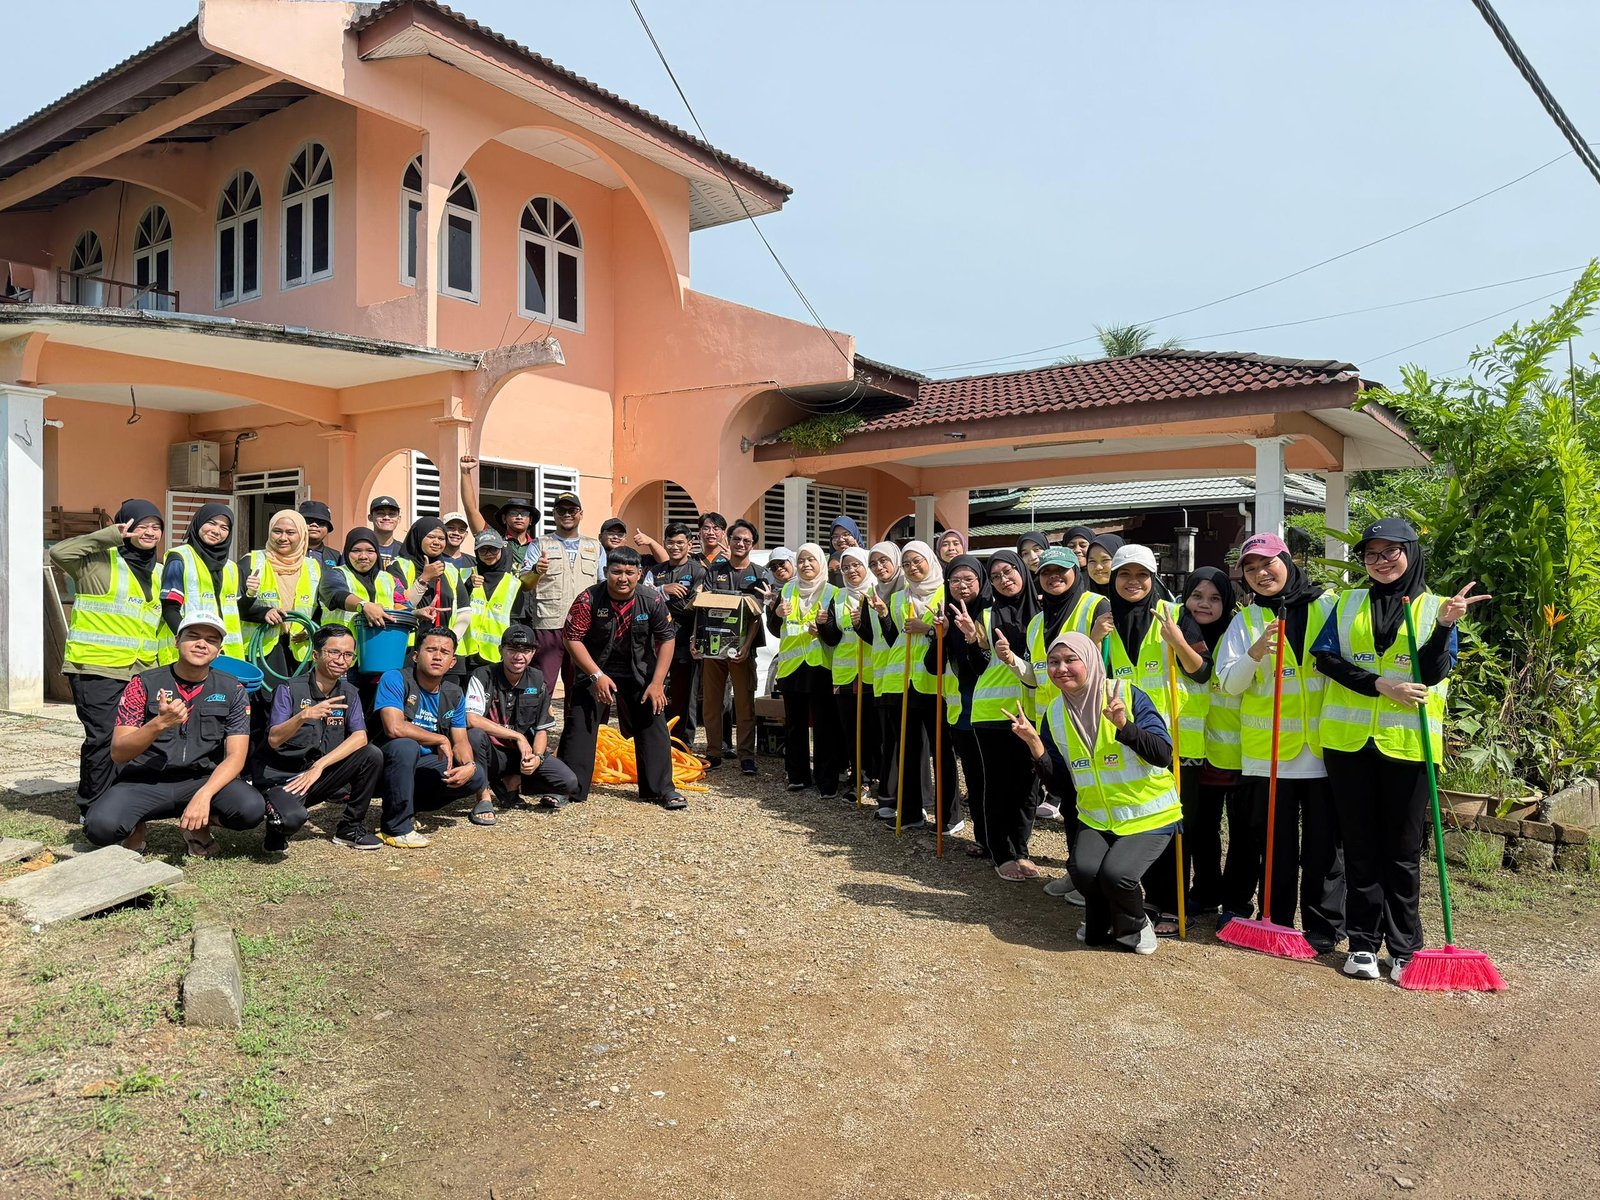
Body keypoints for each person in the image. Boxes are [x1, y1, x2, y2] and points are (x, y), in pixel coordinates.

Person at [1314, 518, 1477, 983]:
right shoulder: (1347, 603)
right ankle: (1363, 942)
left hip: (1408, 747)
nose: (1382, 562)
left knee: (1403, 850)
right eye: (1372, 554)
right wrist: (1380, 685)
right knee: (1360, 846)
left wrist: (1445, 627)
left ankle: (1405, 946)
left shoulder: (1436, 608)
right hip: (1348, 744)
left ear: (1411, 552)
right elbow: (1325, 659)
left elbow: (1432, 672)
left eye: (1392, 552)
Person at [1008, 632, 1180, 954]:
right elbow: (1061, 784)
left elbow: (1163, 755)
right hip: (1098, 817)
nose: (1061, 669)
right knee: (1082, 870)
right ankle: (1102, 922)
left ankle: (1135, 925)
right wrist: (1035, 744)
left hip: (1148, 813)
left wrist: (1125, 727)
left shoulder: (1127, 694)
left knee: (1118, 875)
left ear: (1090, 660)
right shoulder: (1055, 715)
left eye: (1071, 660)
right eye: (1054, 662)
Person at [1215, 532, 1345, 954]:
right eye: (1250, 569)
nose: (1260, 574)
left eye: (1267, 563)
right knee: (1275, 846)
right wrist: (1253, 654)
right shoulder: (1246, 621)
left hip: (1325, 751)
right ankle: (1276, 919)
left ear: (1287, 561)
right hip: (1267, 755)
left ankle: (1325, 926)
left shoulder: (1329, 607)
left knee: (1325, 849)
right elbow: (1230, 685)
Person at [87, 613, 265, 856]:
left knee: (251, 809)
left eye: (211, 640)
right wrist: (158, 724)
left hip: (201, 778)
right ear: (176, 641)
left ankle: (197, 824)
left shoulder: (232, 689)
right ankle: (136, 826)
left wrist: (205, 794)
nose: (202, 644)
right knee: (100, 828)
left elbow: (236, 755)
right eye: (193, 636)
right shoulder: (143, 684)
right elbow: (119, 753)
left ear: (219, 649)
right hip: (145, 781)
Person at [52, 499, 166, 809]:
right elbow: (58, 553)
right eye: (142, 525)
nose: (150, 532)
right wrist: (109, 536)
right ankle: (92, 806)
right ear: (125, 526)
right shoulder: (99, 563)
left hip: (140, 672)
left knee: (132, 740)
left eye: (156, 527)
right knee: (102, 739)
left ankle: (120, 804)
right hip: (95, 668)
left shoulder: (159, 572)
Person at [558, 547, 685, 809]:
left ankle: (661, 789)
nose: (623, 578)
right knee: (580, 722)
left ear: (640, 574)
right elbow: (572, 638)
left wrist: (658, 683)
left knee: (654, 720)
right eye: (616, 571)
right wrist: (595, 675)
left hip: (639, 671)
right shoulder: (588, 599)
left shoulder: (653, 600)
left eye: (630, 572)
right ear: (606, 572)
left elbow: (667, 638)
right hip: (596, 669)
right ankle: (568, 787)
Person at [940, 554, 1037, 878]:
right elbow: (976, 667)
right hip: (992, 712)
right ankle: (1001, 852)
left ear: (1022, 572)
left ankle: (1021, 849)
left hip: (1032, 712)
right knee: (997, 785)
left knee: (1027, 786)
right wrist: (973, 639)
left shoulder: (1041, 612)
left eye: (1008, 572)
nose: (1003, 579)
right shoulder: (986, 613)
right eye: (995, 576)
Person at [1154, 566, 1240, 917]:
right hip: (1193, 748)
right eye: (1197, 596)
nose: (1204, 605)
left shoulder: (1237, 631)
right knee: (1200, 827)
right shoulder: (1173, 629)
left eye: (1215, 598)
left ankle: (1235, 899)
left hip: (1232, 748)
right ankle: (1204, 890)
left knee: (1239, 833)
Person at [255, 624, 384, 852]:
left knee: (371, 755)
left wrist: (320, 766)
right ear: (315, 655)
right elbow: (274, 739)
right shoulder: (289, 689)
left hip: (316, 776)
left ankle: (350, 828)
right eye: (333, 652)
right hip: (283, 779)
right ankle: (276, 825)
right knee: (291, 820)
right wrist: (303, 716)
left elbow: (360, 737)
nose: (341, 660)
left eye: (347, 655)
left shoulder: (349, 692)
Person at [1012, 547, 1105, 834]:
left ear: (1075, 573)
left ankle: (1097, 868)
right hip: (1053, 722)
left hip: (1091, 719)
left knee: (1097, 793)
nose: (1054, 577)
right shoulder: (1037, 622)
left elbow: (1105, 664)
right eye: (1046, 572)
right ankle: (1076, 867)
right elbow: (1035, 676)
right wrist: (1011, 661)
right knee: (1068, 798)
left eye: (1060, 571)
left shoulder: (1095, 606)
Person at [371, 626, 487, 847]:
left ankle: (408, 806)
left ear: (452, 662)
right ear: (415, 656)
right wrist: (440, 739)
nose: (437, 656)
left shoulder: (454, 693)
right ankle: (396, 829)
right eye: (431, 649)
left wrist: (469, 765)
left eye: (444, 652)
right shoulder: (395, 678)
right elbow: (394, 728)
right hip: (384, 764)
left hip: (420, 766)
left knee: (476, 775)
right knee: (406, 745)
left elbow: (461, 740)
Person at [879, 540, 961, 834]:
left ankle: (949, 815)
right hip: (904, 682)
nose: (913, 568)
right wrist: (884, 617)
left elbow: (953, 636)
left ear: (929, 560)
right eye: (907, 564)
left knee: (942, 750)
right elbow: (893, 638)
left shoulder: (945, 593)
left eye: (918, 561)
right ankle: (911, 811)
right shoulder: (900, 598)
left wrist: (927, 629)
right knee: (908, 750)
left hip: (936, 683)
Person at [466, 623, 581, 816]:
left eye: (526, 650)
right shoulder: (482, 675)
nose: (519, 656)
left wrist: (536, 757)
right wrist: (518, 737)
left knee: (568, 782)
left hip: (521, 755)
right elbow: (472, 719)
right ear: (500, 650)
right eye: (512, 649)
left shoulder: (538, 680)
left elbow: (542, 729)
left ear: (534, 652)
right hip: (492, 754)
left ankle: (512, 783)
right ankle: (483, 796)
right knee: (474, 736)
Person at [695, 519, 771, 774]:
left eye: (746, 540)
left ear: (753, 544)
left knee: (744, 704)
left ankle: (746, 756)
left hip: (743, 650)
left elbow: (757, 616)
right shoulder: (714, 572)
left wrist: (747, 647)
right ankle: (713, 751)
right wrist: (697, 641)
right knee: (712, 702)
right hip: (714, 648)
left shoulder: (760, 574)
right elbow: (703, 608)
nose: (741, 544)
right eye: (736, 539)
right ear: (728, 540)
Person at [770, 543, 842, 796]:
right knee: (794, 725)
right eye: (801, 560)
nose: (806, 565)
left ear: (821, 563)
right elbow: (773, 627)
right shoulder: (788, 588)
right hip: (791, 667)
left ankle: (826, 780)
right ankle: (797, 775)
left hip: (821, 667)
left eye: (811, 560)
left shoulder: (833, 592)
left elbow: (836, 634)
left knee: (824, 726)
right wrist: (776, 613)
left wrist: (821, 629)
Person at [525, 491, 606, 699]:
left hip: (584, 627)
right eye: (561, 510)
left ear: (581, 514)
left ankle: (575, 731)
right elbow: (524, 585)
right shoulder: (539, 544)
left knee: (580, 686)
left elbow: (604, 586)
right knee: (543, 684)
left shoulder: (595, 547)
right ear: (554, 514)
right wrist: (536, 571)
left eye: (572, 510)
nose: (567, 514)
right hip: (548, 625)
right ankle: (537, 729)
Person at [633, 522, 705, 739]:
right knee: (654, 687)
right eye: (670, 542)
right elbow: (642, 599)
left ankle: (683, 742)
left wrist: (659, 599)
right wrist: (664, 590)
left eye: (680, 542)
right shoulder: (655, 571)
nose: (675, 547)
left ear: (689, 545)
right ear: (664, 543)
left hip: (684, 640)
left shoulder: (699, 571)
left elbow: (695, 606)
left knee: (684, 693)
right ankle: (655, 735)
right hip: (655, 641)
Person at [818, 546, 878, 802]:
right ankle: (857, 779)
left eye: (856, 565)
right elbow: (833, 638)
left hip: (873, 673)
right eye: (846, 567)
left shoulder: (879, 592)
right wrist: (823, 625)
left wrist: (861, 624)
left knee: (874, 729)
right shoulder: (839, 597)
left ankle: (877, 777)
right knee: (850, 730)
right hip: (844, 674)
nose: (851, 571)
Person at [240, 509, 323, 686]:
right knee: (267, 701)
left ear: (302, 535)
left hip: (300, 649)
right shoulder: (252, 561)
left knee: (296, 701)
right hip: (262, 650)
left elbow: (323, 608)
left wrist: (309, 631)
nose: (283, 537)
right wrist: (263, 613)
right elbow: (233, 607)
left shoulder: (313, 567)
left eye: (290, 532)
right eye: (277, 531)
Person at [159, 502, 244, 663]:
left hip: (227, 658)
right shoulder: (179, 558)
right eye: (211, 523)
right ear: (198, 522)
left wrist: (252, 595)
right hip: (187, 657)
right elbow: (170, 609)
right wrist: (189, 643)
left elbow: (236, 611)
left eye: (224, 528)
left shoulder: (231, 568)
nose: (216, 531)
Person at [459, 455, 539, 619]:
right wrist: (465, 473)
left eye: (524, 514)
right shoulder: (494, 541)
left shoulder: (540, 546)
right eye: (513, 513)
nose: (518, 517)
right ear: (504, 518)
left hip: (531, 613)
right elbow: (471, 510)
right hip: (500, 610)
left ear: (530, 520)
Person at [858, 542, 906, 815]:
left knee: (904, 740)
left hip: (907, 676)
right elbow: (871, 634)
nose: (879, 567)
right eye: (874, 563)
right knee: (888, 738)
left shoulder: (906, 591)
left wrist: (886, 614)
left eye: (884, 561)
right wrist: (857, 625)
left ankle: (905, 798)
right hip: (882, 674)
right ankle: (888, 796)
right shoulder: (871, 592)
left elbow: (900, 634)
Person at [391, 516, 472, 670]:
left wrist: (448, 641)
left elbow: (464, 611)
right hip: (409, 651)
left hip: (446, 654)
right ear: (418, 536)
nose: (437, 542)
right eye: (431, 536)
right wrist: (424, 578)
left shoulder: (450, 570)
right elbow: (399, 606)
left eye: (441, 538)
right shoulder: (399, 566)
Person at [461, 529, 523, 671]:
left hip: (497, 657)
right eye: (483, 550)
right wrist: (467, 586)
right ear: (476, 552)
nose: (489, 554)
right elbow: (454, 608)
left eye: (493, 549)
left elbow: (516, 622)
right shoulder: (465, 575)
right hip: (465, 655)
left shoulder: (514, 584)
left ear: (502, 550)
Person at [299, 500, 342, 569]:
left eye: (321, 522)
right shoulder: (286, 551)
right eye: (308, 521)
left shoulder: (337, 557)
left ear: (328, 529)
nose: (314, 525)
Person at [368, 496, 404, 567]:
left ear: (399, 519)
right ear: (370, 517)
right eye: (380, 513)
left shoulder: (404, 551)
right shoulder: (360, 548)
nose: (386, 518)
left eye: (391, 514)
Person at [1084, 532, 1124, 597]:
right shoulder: (1081, 598)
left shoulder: (1135, 597)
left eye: (1105, 560)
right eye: (1092, 561)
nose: (1098, 567)